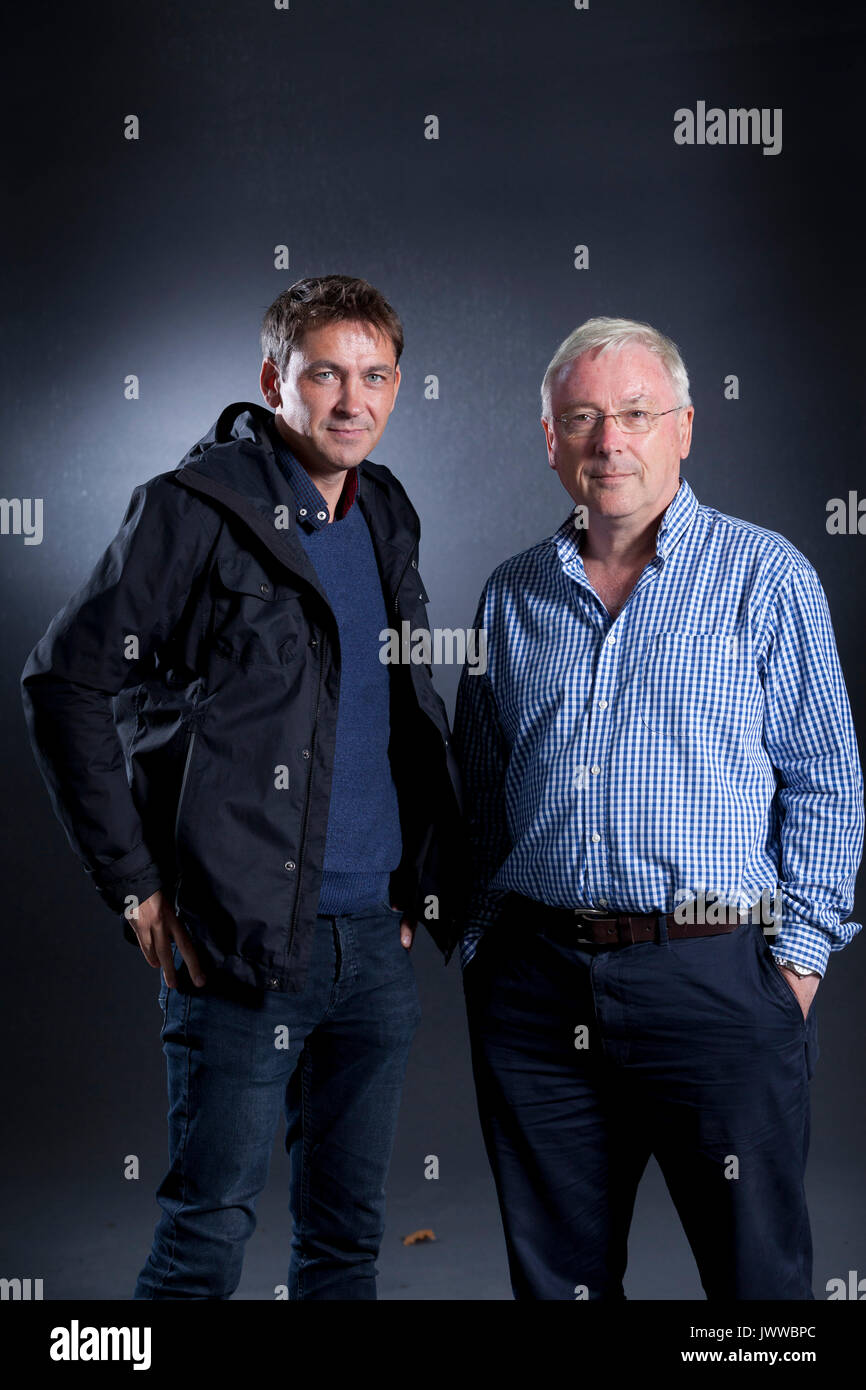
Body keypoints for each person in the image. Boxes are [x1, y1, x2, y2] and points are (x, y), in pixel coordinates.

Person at [20, 274, 463, 1300]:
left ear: (396, 385)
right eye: (324, 374)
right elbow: (66, 683)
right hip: (241, 944)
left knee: (344, 1243)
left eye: (375, 374)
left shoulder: (385, 509)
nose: (351, 400)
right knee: (205, 1238)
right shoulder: (193, 509)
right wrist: (134, 881)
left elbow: (400, 705)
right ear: (275, 380)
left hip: (375, 947)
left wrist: (414, 888)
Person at [453, 315, 863, 1301]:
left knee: (755, 1286)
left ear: (683, 426)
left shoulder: (766, 579)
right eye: (583, 416)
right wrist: (481, 946)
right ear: (549, 440)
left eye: (635, 412)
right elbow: (475, 784)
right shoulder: (510, 595)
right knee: (560, 1286)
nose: (610, 439)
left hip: (716, 978)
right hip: (537, 994)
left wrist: (793, 965)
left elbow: (824, 779)